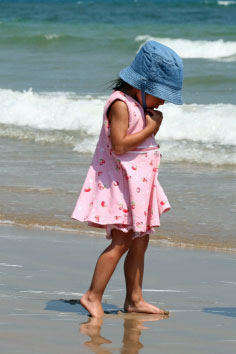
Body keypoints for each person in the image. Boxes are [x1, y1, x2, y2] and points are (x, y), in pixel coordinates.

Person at [71, 40, 183, 318]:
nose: (164, 101)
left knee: (140, 240)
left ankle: (134, 299)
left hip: (140, 187)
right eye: (160, 94)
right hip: (122, 188)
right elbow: (120, 146)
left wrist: (149, 125)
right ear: (141, 87)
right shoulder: (120, 105)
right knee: (121, 242)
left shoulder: (139, 106)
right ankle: (92, 295)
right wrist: (152, 128)